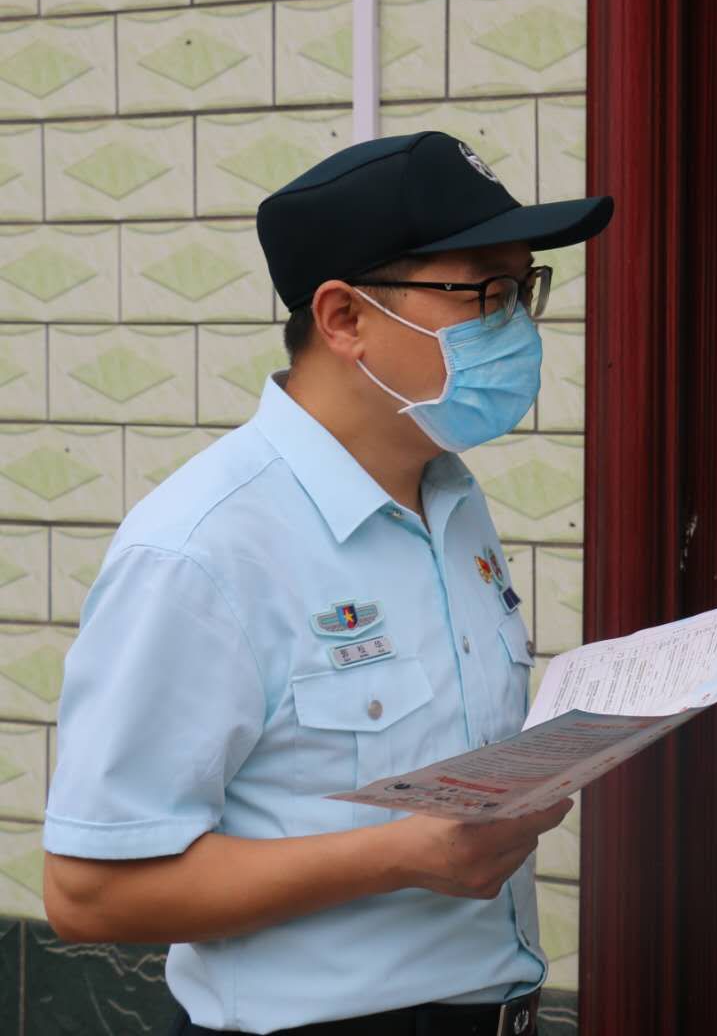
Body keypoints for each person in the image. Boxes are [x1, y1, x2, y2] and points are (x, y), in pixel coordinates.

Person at [41, 131, 613, 1036]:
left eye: (524, 289)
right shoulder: (201, 548)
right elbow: (89, 893)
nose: (517, 330)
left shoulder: (449, 497)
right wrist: (399, 857)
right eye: (485, 294)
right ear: (344, 318)